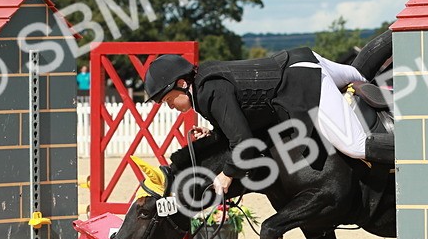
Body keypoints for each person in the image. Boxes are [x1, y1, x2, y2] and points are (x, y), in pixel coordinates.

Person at [143, 48, 393, 198]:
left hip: (305, 82)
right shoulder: (206, 82)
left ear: (182, 84)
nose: (169, 105)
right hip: (304, 59)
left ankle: (416, 152)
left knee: (355, 146)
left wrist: (227, 175)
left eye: (167, 99)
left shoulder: (209, 93)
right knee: (361, 76)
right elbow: (243, 118)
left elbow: (245, 144)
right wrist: (213, 132)